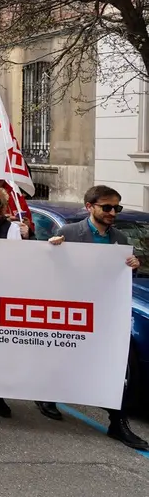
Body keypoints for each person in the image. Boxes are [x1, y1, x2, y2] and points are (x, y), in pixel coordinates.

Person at [45, 185, 147, 450]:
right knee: (63, 355)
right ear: (90, 207)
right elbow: (50, 270)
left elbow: (121, 279)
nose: (113, 212)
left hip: (105, 312)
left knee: (112, 365)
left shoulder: (121, 240)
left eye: (117, 208)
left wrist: (133, 267)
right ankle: (47, 395)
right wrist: (52, 250)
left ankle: (118, 422)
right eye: (107, 207)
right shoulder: (69, 233)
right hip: (74, 310)